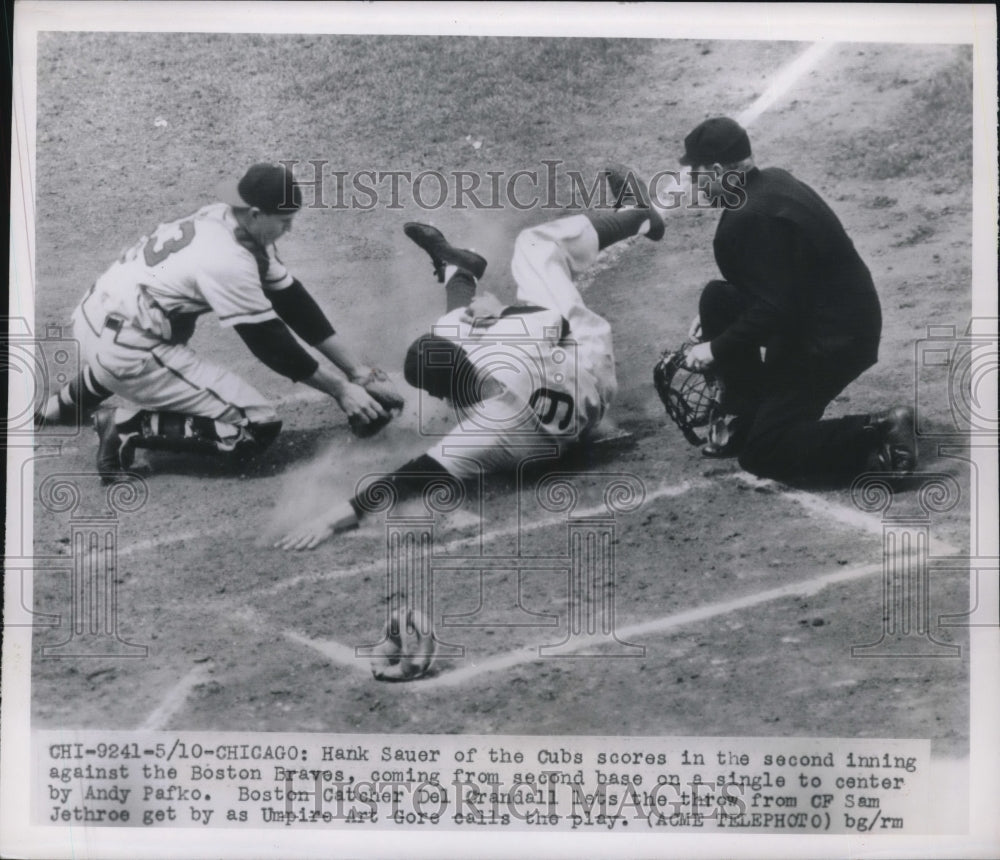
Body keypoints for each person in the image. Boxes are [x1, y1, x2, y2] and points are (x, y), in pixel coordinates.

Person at [277, 167, 664, 550]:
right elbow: (558, 324)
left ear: (444, 395)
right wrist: (500, 312)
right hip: (590, 362)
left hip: (560, 428)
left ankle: (459, 270)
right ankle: (637, 214)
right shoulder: (513, 348)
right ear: (468, 357)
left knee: (450, 326)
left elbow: (412, 476)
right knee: (535, 246)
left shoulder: (480, 432)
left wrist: (333, 517)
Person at [36, 163, 393, 482]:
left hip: (94, 318)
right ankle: (126, 426)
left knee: (166, 326)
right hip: (130, 349)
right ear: (255, 213)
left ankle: (65, 404)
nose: (290, 228)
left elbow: (292, 301)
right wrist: (341, 391)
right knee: (256, 426)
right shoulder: (227, 260)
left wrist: (356, 371)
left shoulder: (223, 219)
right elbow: (269, 342)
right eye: (284, 221)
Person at [677, 116, 916, 482]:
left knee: (765, 451)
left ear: (718, 170)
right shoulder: (771, 182)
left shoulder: (747, 219)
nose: (690, 182)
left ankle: (878, 432)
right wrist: (716, 321)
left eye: (695, 173)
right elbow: (781, 283)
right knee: (716, 300)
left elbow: (776, 308)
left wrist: (716, 348)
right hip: (831, 316)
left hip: (832, 342)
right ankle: (743, 416)